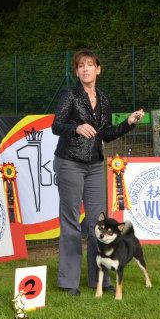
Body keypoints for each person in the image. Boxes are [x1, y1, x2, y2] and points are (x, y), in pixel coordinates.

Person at [51, 50, 144, 296]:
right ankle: (69, 281)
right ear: (77, 71)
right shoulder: (70, 94)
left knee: (98, 223)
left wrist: (128, 123)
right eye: (81, 66)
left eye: (90, 65)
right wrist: (76, 127)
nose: (85, 69)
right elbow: (56, 126)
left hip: (94, 165)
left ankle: (98, 280)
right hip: (69, 162)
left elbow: (106, 133)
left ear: (98, 70)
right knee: (71, 222)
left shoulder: (103, 98)